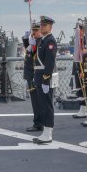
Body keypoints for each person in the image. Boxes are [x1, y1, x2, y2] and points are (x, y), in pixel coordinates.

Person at [33, 16, 57, 145]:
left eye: (44, 25)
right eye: (41, 25)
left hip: (44, 78)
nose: (41, 27)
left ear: (50, 27)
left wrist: (46, 80)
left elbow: (50, 62)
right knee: (43, 105)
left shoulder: (50, 41)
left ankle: (48, 134)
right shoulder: (43, 40)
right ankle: (46, 132)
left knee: (47, 106)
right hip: (39, 76)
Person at [24, 22, 42, 133]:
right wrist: (27, 41)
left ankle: (39, 123)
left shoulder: (40, 43)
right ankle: (38, 122)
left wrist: (33, 46)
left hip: (36, 76)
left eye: (35, 31)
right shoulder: (34, 44)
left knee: (38, 102)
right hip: (31, 76)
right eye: (32, 31)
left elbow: (37, 59)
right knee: (35, 102)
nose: (33, 33)